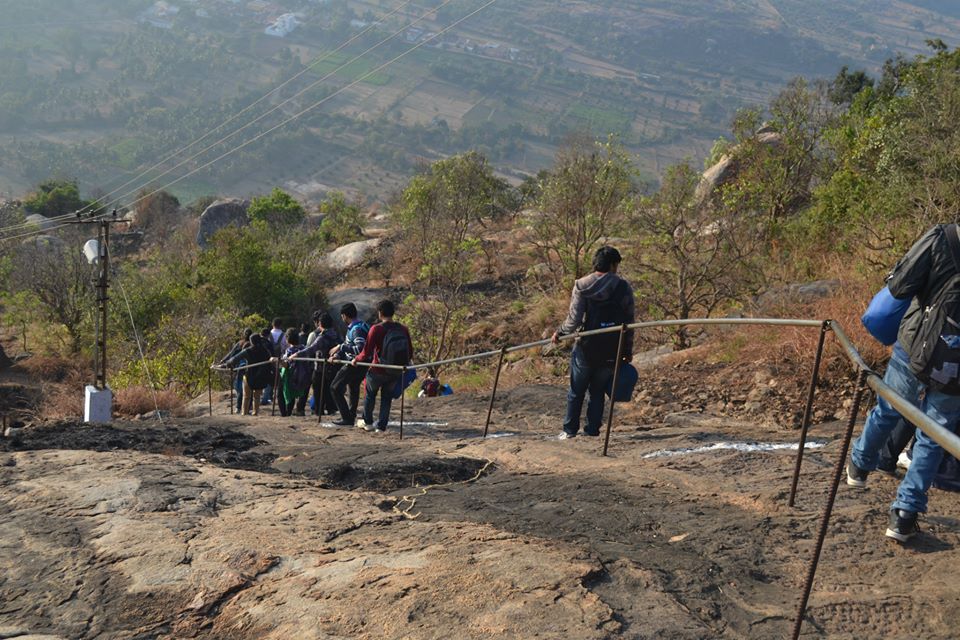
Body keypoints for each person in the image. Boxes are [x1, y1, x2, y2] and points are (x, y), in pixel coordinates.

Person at [846, 223, 960, 542]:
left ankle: (859, 463)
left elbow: (899, 286)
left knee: (889, 409)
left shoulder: (943, 237)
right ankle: (903, 515)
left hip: (914, 346)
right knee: (934, 436)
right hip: (956, 368)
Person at [551, 246, 635, 440]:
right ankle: (592, 431)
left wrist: (560, 332)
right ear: (614, 265)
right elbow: (629, 322)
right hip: (611, 349)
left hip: (586, 347)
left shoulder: (581, 285)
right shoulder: (623, 287)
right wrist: (627, 350)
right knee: (597, 391)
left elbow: (573, 320)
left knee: (576, 391)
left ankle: (569, 431)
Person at [352, 299, 413, 432]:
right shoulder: (403, 329)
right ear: (393, 313)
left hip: (377, 370)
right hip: (394, 371)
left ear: (380, 313)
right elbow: (410, 351)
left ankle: (368, 422)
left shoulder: (376, 329)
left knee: (370, 394)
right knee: (386, 398)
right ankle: (381, 426)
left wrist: (356, 359)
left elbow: (366, 352)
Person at [290, 311, 341, 417]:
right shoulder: (336, 334)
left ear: (320, 323)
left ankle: (319, 414)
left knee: (318, 393)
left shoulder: (322, 336)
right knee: (328, 391)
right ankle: (331, 412)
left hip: (320, 368)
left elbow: (311, 349)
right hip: (334, 368)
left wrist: (296, 355)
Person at [328, 303, 370, 426]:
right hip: (361, 363)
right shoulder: (362, 325)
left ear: (344, 316)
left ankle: (347, 417)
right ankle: (350, 416)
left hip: (355, 364)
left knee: (334, 388)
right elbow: (352, 346)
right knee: (353, 387)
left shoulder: (356, 328)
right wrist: (339, 354)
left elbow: (360, 348)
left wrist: (340, 347)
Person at [224, 334, 273, 416]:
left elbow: (234, 359)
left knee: (246, 396)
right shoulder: (265, 350)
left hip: (249, 375)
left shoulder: (248, 351)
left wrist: (227, 364)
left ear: (251, 342)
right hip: (261, 376)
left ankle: (244, 413)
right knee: (257, 397)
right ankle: (255, 413)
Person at [279, 328, 310, 417]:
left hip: (290, 375)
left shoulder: (290, 351)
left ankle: (285, 414)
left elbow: (287, 365)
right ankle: (291, 411)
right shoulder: (304, 348)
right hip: (302, 376)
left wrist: (279, 361)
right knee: (294, 394)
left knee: (284, 394)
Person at [221, 328, 252, 413]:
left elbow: (231, 354)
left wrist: (223, 361)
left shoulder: (240, 343)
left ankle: (238, 407)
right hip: (250, 369)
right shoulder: (252, 345)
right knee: (249, 388)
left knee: (240, 388)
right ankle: (249, 407)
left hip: (240, 369)